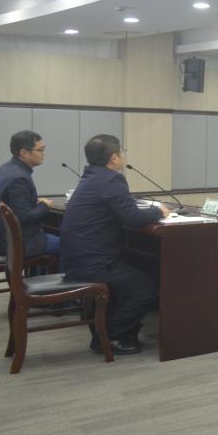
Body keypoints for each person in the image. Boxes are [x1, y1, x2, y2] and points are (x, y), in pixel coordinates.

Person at [60, 134, 169, 355]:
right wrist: (159, 211)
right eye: (122, 152)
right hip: (94, 263)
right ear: (114, 158)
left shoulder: (91, 177)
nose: (122, 156)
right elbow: (133, 218)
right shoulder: (111, 180)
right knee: (146, 288)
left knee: (139, 272)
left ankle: (120, 330)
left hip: (75, 260)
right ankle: (108, 336)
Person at [0, 130, 61, 260]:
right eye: (40, 150)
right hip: (16, 242)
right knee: (70, 245)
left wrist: (36, 203)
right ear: (24, 153)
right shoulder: (19, 179)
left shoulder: (6, 168)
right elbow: (22, 217)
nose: (43, 154)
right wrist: (44, 206)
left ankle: (39, 272)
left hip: (2, 237)